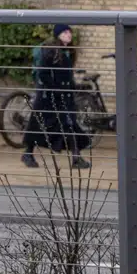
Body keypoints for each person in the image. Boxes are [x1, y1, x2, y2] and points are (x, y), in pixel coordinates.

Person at [22, 23, 90, 170]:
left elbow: (66, 75)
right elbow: (43, 73)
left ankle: (76, 157)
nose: (68, 35)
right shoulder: (51, 51)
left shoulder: (67, 51)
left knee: (69, 124)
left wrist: (71, 87)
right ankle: (28, 154)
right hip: (49, 97)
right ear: (58, 35)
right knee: (39, 126)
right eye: (65, 33)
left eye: (69, 32)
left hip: (63, 96)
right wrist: (55, 89)